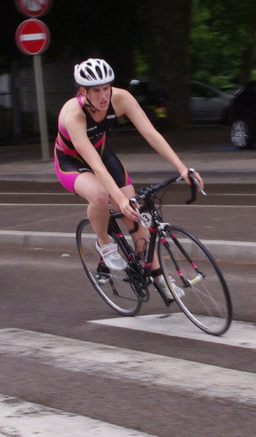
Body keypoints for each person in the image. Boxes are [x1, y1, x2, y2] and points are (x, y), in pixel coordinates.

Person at [56, 58, 202, 283]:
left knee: (134, 213)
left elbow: (151, 133)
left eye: (106, 88)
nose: (104, 96)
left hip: (102, 151)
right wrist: (119, 199)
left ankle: (159, 278)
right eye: (96, 91)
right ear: (83, 91)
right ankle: (104, 242)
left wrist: (182, 168)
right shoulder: (73, 114)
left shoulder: (121, 98)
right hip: (71, 162)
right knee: (100, 195)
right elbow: (94, 164)